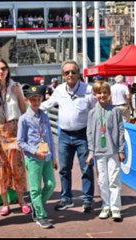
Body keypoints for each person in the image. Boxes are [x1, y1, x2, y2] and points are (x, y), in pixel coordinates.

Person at [40, 60, 96, 213]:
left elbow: (98, 108)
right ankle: (66, 198)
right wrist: (30, 110)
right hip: (64, 135)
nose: (70, 75)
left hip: (83, 134)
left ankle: (87, 199)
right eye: (67, 72)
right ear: (63, 75)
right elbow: (47, 104)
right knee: (64, 169)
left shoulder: (88, 89)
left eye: (73, 72)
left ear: (78, 73)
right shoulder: (59, 89)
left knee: (87, 168)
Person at [0, 58, 31, 217]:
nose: (0, 72)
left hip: (13, 130)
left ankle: (22, 201)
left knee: (17, 167)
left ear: (7, 70)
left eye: (3, 68)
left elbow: (23, 109)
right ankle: (5, 204)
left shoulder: (15, 86)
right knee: (0, 168)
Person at [17, 86, 58, 229]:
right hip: (34, 158)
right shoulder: (23, 119)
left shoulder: (44, 116)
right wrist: (35, 152)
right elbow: (20, 142)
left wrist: (53, 157)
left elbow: (50, 138)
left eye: (38, 99)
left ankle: (37, 205)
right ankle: (40, 215)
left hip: (46, 156)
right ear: (27, 100)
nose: (35, 102)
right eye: (32, 99)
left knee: (51, 184)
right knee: (35, 189)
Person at [86, 80, 125, 222]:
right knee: (102, 180)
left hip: (113, 150)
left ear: (109, 94)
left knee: (114, 179)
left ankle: (115, 208)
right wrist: (91, 152)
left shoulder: (115, 111)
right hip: (98, 151)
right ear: (94, 94)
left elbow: (121, 130)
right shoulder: (91, 113)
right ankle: (105, 205)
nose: (102, 95)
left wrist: (121, 149)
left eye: (104, 92)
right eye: (98, 93)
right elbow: (89, 133)